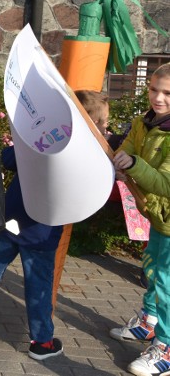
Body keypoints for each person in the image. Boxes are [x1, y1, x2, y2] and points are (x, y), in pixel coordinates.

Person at [0, 90, 110, 361]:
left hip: (11, 216)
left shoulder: (44, 140)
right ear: (90, 125)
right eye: (104, 123)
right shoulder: (83, 155)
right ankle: (42, 342)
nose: (107, 127)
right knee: (39, 282)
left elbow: (8, 157)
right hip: (42, 229)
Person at [110, 63, 170, 376]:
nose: (158, 98)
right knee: (154, 268)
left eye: (167, 93)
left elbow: (166, 184)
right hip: (160, 218)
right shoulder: (143, 123)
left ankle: (167, 348)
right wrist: (121, 160)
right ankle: (150, 322)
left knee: (166, 281)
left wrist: (132, 164)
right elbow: (126, 150)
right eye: (153, 90)